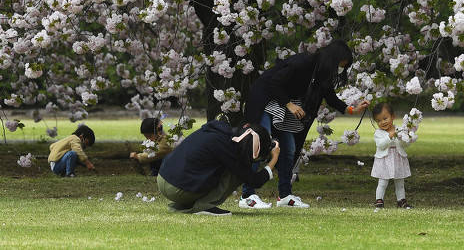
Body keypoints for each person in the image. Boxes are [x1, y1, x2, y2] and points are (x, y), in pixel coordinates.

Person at [239, 39, 370, 209]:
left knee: (289, 149)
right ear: (332, 60)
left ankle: (285, 195)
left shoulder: (321, 73)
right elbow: (273, 82)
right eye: (340, 65)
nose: (340, 69)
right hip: (265, 101)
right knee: (258, 143)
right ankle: (247, 195)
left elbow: (329, 95)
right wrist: (289, 104)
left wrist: (351, 109)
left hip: (284, 106)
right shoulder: (303, 63)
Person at [157, 120, 279, 216]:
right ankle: (204, 206)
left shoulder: (219, 131)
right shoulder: (229, 148)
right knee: (236, 174)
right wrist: (274, 158)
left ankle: (188, 204)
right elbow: (254, 180)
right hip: (175, 189)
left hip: (163, 177)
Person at [371, 102, 412, 209]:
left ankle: (401, 201)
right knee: (383, 182)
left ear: (393, 116)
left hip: (398, 158)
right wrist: (389, 136)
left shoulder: (399, 129)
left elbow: (405, 144)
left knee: (400, 182)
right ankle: (379, 200)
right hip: (384, 159)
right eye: (379, 120)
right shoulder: (378, 133)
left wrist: (402, 138)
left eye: (385, 118)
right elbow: (381, 145)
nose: (382, 122)